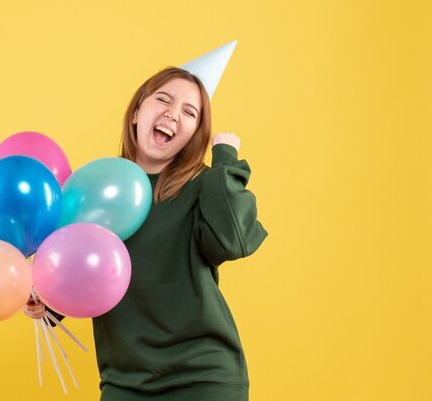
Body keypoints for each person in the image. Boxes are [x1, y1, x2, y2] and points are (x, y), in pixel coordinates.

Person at [24, 65, 267, 401]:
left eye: (189, 112)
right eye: (163, 100)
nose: (172, 114)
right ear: (137, 112)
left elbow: (233, 240)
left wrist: (225, 163)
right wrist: (44, 301)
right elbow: (80, 270)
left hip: (202, 379)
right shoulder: (98, 190)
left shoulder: (202, 186)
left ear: (194, 132)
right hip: (125, 382)